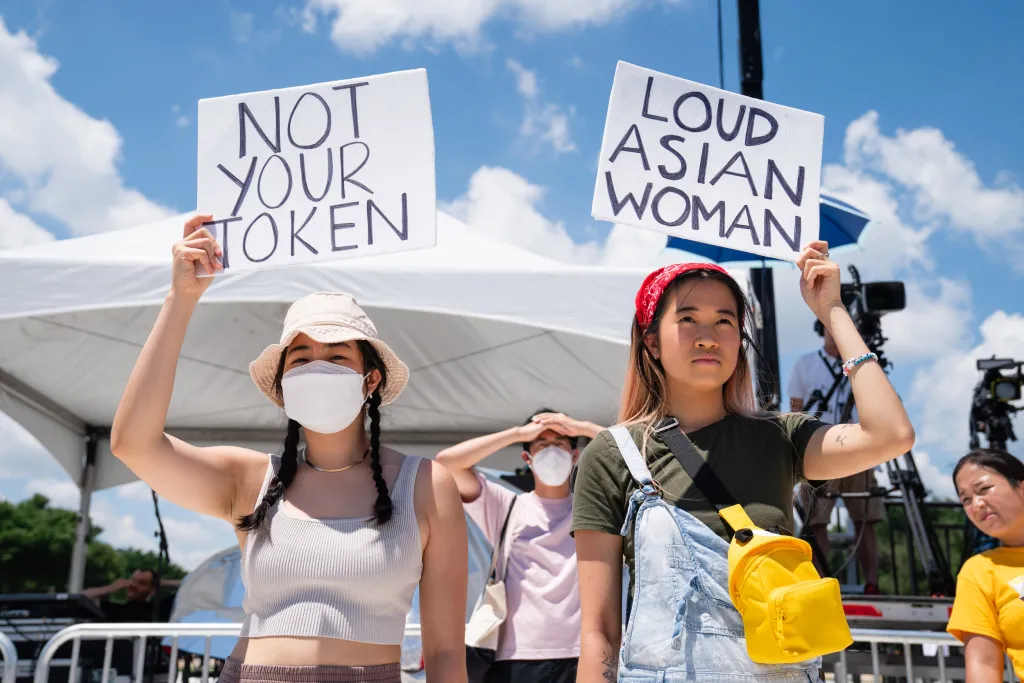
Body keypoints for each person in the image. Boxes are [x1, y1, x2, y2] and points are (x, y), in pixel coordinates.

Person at [110, 215, 468, 683]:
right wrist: (181, 299)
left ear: (371, 379)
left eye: (338, 355)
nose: (318, 368)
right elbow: (133, 444)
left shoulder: (425, 485)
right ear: (283, 382)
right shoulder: (250, 479)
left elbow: (444, 653)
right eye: (301, 359)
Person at [570, 241, 915, 682]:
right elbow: (599, 631)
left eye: (725, 321)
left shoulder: (781, 437)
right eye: (688, 318)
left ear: (740, 339)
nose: (708, 336)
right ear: (652, 342)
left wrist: (832, 311)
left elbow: (892, 435)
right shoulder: (614, 452)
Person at [436, 410, 604, 683]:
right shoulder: (506, 505)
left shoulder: (595, 507)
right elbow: (447, 463)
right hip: (515, 658)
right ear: (527, 458)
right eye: (541, 444)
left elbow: (640, 459)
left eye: (560, 444)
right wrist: (518, 433)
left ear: (575, 456)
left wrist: (583, 428)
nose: (551, 450)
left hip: (584, 654)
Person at [790, 324, 883, 593]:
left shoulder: (864, 363)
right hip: (820, 448)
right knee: (816, 522)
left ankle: (872, 584)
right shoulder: (805, 364)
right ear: (822, 330)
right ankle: (818, 584)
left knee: (865, 518)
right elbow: (797, 410)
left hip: (859, 448)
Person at [947, 449, 1024, 681]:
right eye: (966, 500)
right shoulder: (979, 571)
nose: (977, 504)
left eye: (983, 490)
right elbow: (984, 664)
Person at [83, 569, 180, 621]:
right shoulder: (115, 609)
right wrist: (110, 588)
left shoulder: (159, 609)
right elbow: (80, 598)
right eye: (132, 580)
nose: (133, 585)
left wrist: (162, 583)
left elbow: (189, 586)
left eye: (141, 583)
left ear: (152, 590)